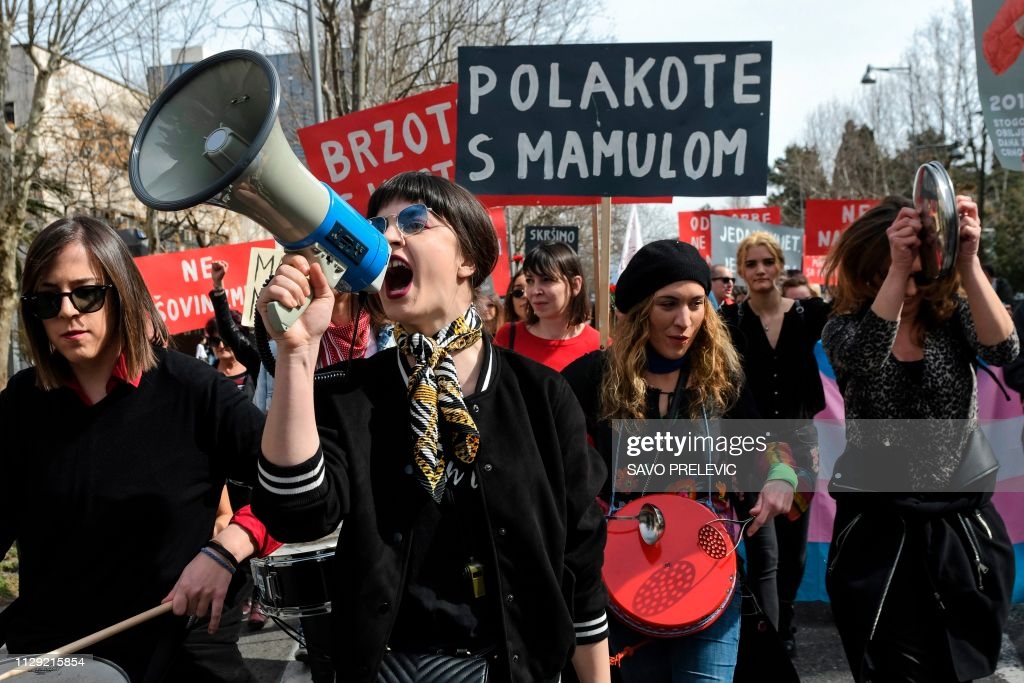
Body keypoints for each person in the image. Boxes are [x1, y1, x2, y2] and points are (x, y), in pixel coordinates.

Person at [251, 172, 611, 683]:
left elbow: (580, 563)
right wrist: (294, 353)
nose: (389, 236)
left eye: (415, 222)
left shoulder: (543, 397)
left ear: (469, 258)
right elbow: (296, 515)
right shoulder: (349, 394)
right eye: (377, 226)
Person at [0, 216, 265, 681]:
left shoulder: (195, 389)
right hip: (55, 654)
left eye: (86, 293)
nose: (67, 311)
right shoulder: (20, 402)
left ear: (120, 292)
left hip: (179, 649)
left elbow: (296, 491)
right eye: (47, 298)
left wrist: (228, 549)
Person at [562, 239, 798, 683]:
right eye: (667, 304)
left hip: (707, 577)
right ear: (637, 311)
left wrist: (780, 478)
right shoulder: (589, 377)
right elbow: (553, 468)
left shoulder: (721, 379)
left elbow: (770, 447)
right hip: (617, 582)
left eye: (695, 303)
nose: (684, 321)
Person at [820, 195, 1018, 683]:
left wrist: (967, 261)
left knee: (959, 669)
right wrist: (897, 265)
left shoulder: (953, 320)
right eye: (887, 272)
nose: (907, 286)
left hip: (961, 529)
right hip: (878, 534)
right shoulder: (841, 329)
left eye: (915, 272)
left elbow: (1004, 348)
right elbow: (867, 356)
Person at [720, 232, 828, 656]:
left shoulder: (810, 313)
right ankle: (771, 636)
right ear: (742, 271)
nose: (761, 270)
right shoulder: (730, 321)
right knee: (763, 545)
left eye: (767, 262)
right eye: (751, 264)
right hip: (751, 442)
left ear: (779, 265)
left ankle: (785, 614)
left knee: (794, 548)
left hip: (801, 441)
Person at [494, 241, 601, 371]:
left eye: (547, 279)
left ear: (575, 285)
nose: (535, 291)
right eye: (530, 281)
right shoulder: (508, 336)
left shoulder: (600, 345)